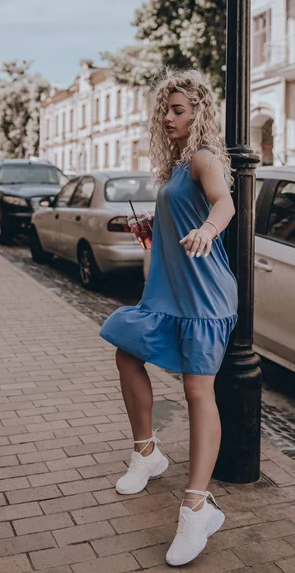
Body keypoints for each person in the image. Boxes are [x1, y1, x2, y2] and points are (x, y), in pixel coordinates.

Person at [99, 69, 238, 567]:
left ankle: (197, 507)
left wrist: (207, 228)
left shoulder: (203, 158)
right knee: (125, 350)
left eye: (179, 109)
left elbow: (223, 202)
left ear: (199, 112)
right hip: (167, 293)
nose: (169, 117)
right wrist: (151, 230)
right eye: (166, 109)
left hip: (203, 298)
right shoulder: (175, 168)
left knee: (198, 392)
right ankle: (147, 451)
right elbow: (175, 220)